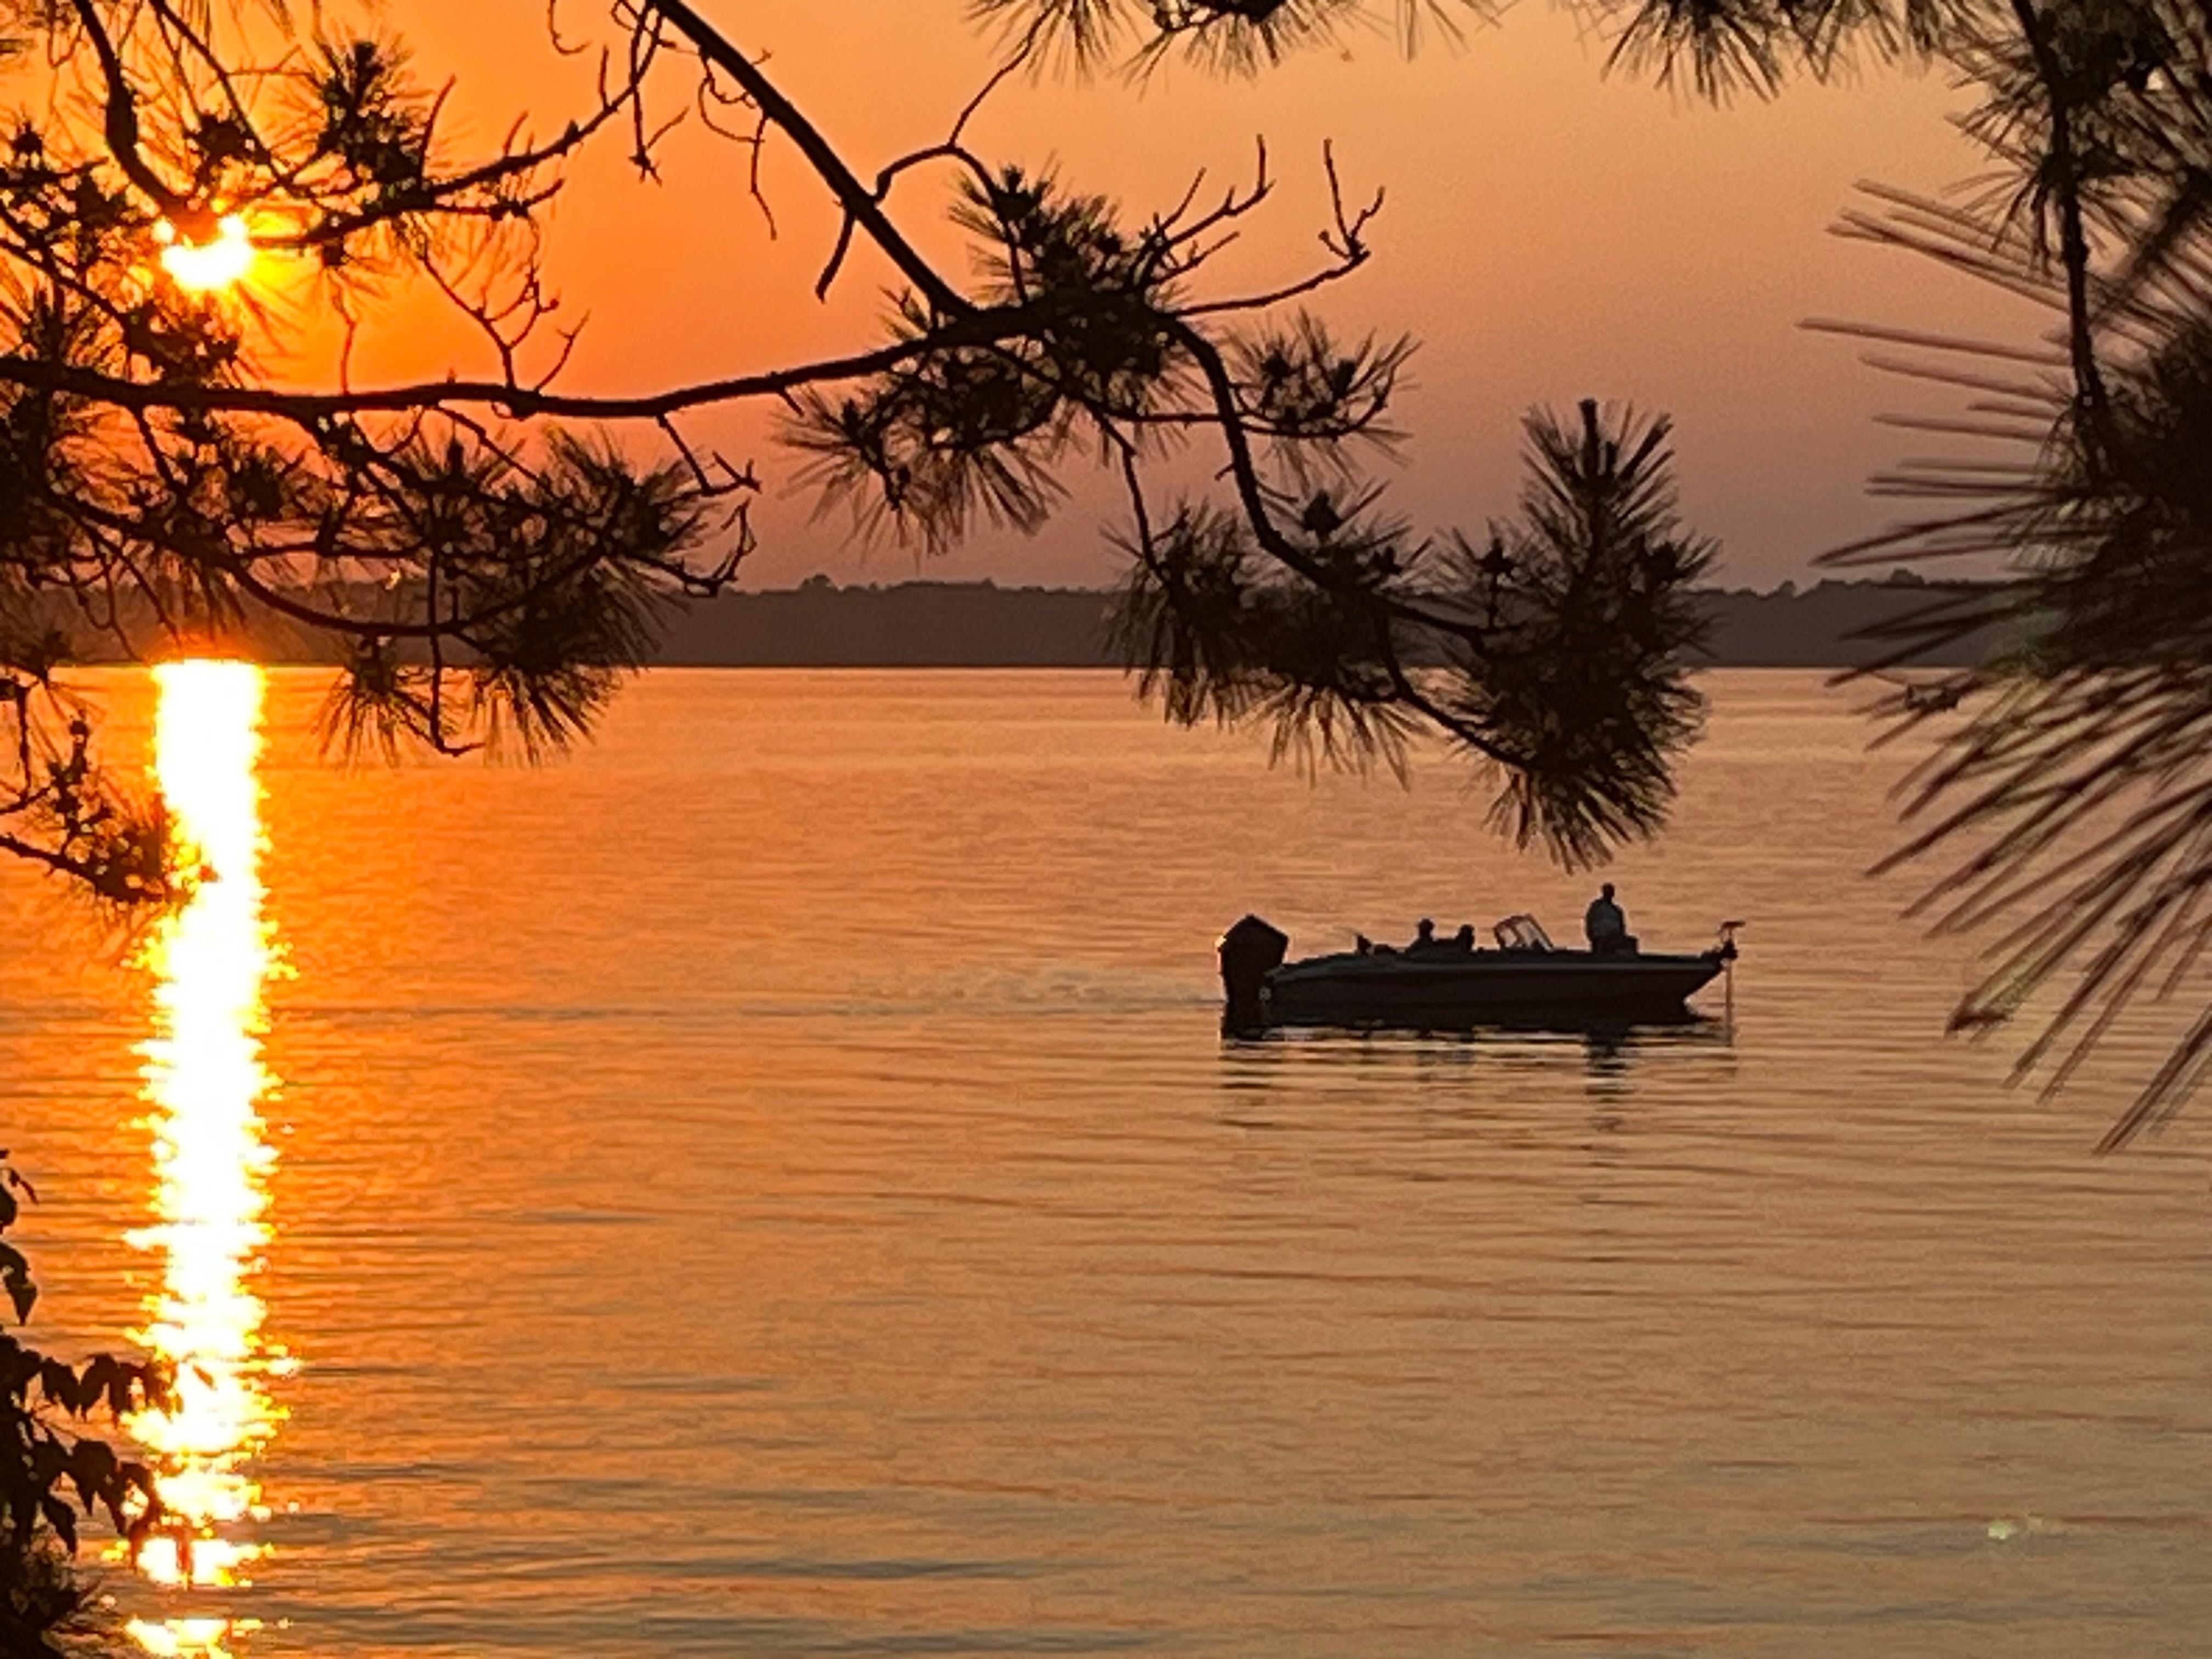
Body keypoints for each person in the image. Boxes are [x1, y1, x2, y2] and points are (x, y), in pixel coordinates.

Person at [1584, 883, 1637, 956]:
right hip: (1601, 937)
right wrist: (1592, 936)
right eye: (1607, 892)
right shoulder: (1596, 906)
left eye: (1611, 892)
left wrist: (1621, 935)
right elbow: (1589, 921)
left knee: (1631, 942)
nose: (1609, 894)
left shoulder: (1617, 910)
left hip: (1615, 937)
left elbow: (1622, 926)